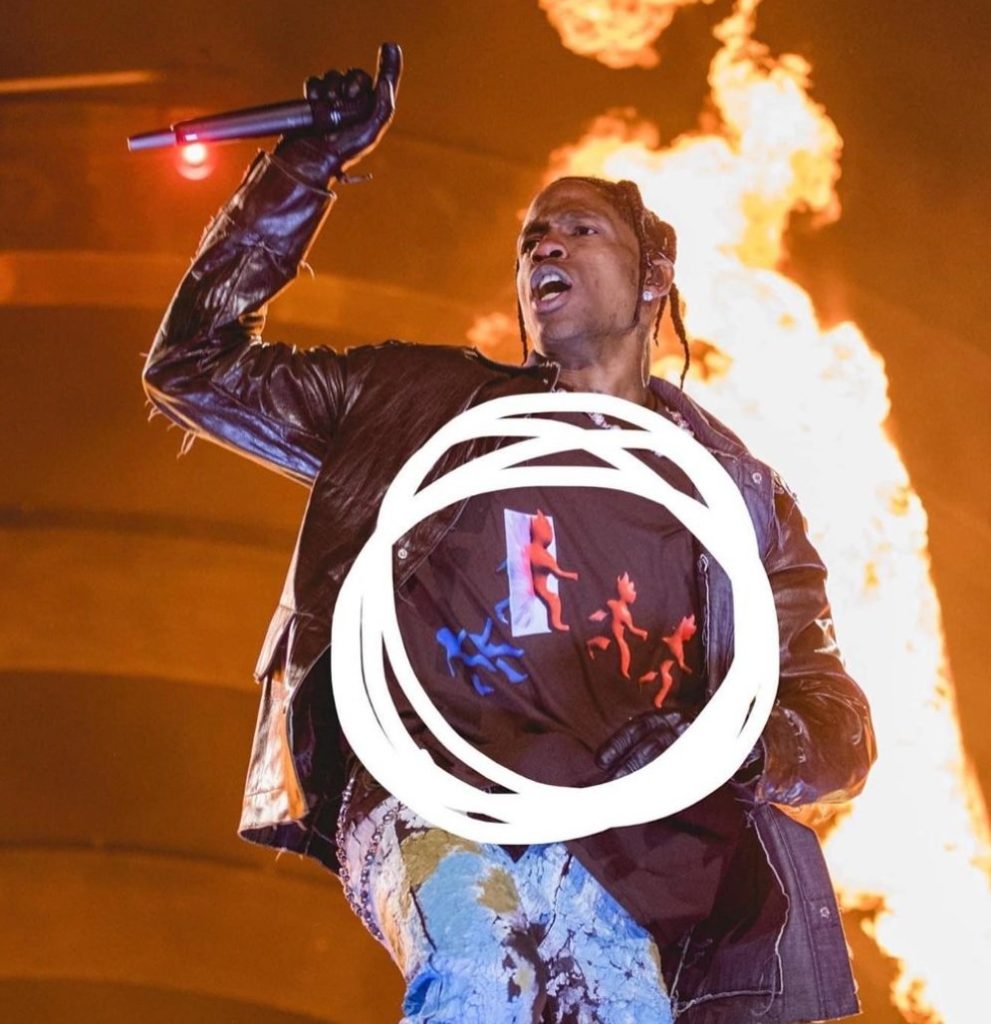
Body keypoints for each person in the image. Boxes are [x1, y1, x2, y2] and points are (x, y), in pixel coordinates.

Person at [143, 43, 876, 1024]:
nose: (545, 250)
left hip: (627, 834)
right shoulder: (419, 406)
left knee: (619, 1000)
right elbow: (193, 367)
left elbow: (833, 716)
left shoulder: (736, 496)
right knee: (479, 961)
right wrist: (302, 170)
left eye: (578, 229)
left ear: (653, 276)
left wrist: (736, 744)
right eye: (532, 238)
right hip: (432, 794)